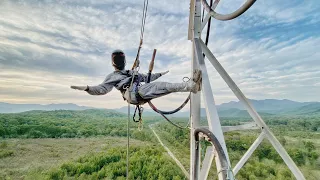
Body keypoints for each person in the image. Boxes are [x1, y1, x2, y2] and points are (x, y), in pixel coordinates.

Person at [70, 49, 201, 105]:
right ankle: (191, 86)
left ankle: (191, 86)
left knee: (164, 88)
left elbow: (146, 78)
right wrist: (87, 88)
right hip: (134, 94)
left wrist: (160, 73)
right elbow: (101, 89)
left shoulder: (131, 73)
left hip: (138, 93)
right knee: (162, 86)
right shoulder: (112, 76)